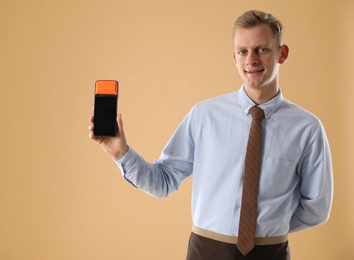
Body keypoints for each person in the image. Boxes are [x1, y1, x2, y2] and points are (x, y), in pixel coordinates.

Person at [89, 10, 333, 260]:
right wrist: (121, 153)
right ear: (234, 57)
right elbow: (162, 181)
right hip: (206, 251)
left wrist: (271, 224)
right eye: (243, 51)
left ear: (282, 53)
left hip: (270, 252)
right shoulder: (204, 116)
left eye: (262, 49)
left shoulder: (307, 128)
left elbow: (316, 208)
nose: (251, 60)